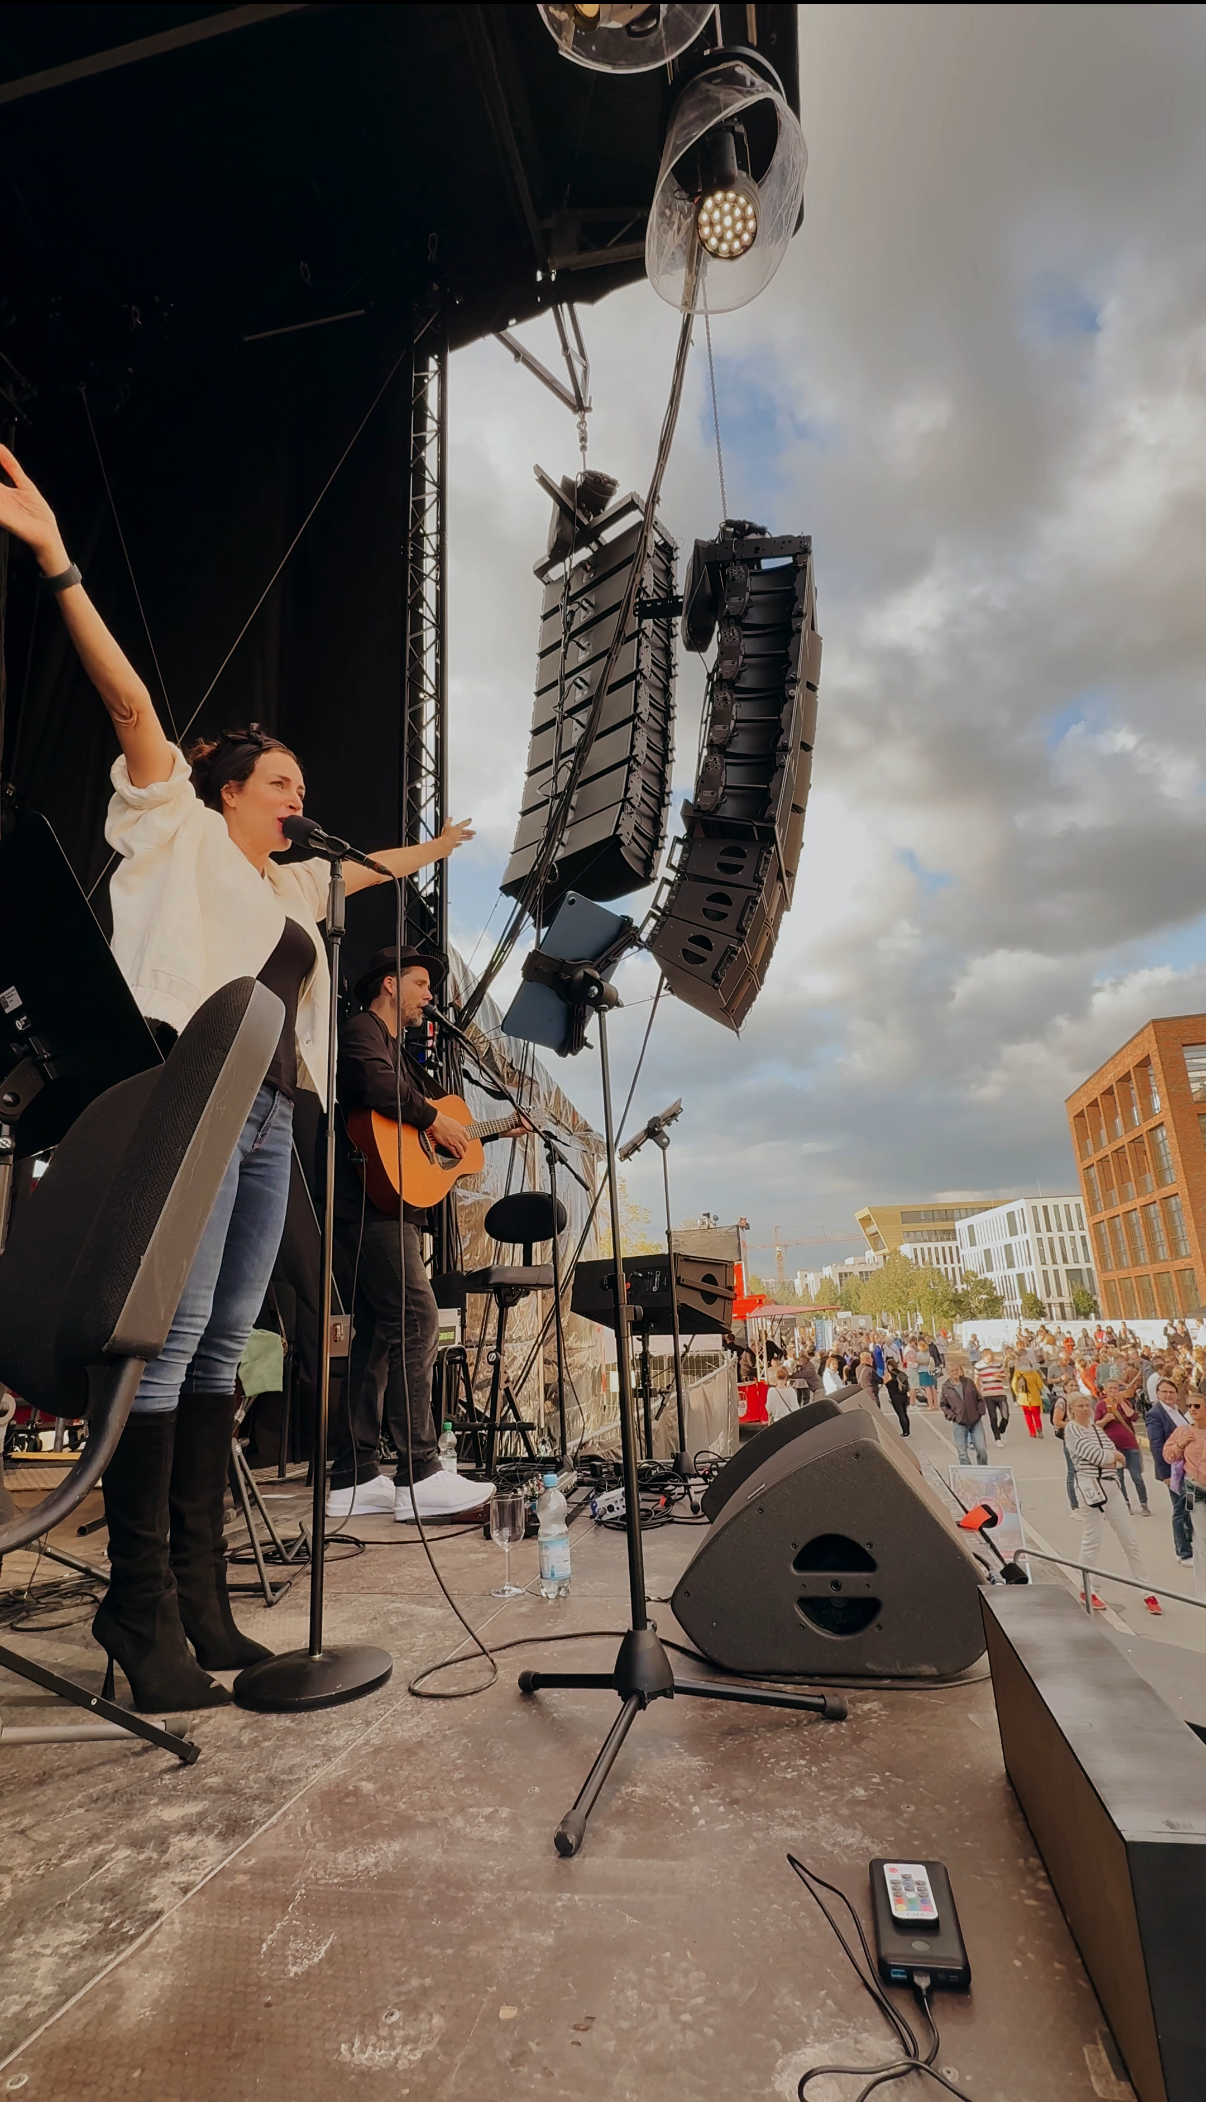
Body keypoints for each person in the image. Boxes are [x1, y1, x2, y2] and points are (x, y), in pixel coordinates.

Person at [0, 445, 474, 1711]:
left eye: (304, 792)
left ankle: (203, 1597)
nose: (299, 802)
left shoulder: (291, 885)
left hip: (273, 1117)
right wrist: (57, 561)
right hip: (187, 1098)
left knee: (220, 1342)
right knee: (161, 1343)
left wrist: (433, 846)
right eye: (283, 786)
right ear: (228, 788)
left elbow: (359, 869)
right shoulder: (175, 826)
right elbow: (130, 711)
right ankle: (138, 1600)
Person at [328, 947, 519, 1521]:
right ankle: (419, 1472)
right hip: (370, 1207)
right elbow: (372, 1086)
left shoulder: (403, 1053)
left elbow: (433, 1119)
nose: (430, 995)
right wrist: (436, 1120)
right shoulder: (362, 1028)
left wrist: (478, 1131)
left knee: (380, 1338)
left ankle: (355, 1477)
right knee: (418, 1319)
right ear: (389, 983)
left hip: (387, 1206)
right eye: (421, 983)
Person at [1063, 1393, 1161, 1615]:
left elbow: (1113, 1452)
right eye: (1080, 1406)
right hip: (1090, 1488)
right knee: (1093, 1540)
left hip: (1111, 1486)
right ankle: (1085, 1587)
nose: (1085, 1409)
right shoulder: (1072, 1430)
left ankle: (1146, 1591)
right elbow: (1096, 1456)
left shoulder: (1096, 1429)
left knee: (1130, 1541)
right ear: (1072, 1409)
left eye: (1087, 1405)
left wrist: (1113, 1456)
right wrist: (1112, 1456)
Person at [1145, 1376, 1192, 1564]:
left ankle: (1191, 1544)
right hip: (1173, 1471)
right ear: (1157, 1394)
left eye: (1171, 1392)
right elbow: (1157, 1445)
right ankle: (1183, 1552)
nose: (1168, 1395)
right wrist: (1164, 1474)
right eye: (1164, 1392)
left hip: (1187, 1468)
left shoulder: (1176, 1411)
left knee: (1190, 1506)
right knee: (1180, 1509)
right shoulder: (1155, 1414)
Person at [1164, 1398, 1206, 1596]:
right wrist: (1181, 1444)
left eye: (1197, 1406)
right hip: (1192, 1490)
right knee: (1200, 1535)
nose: (1192, 1409)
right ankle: (1202, 1589)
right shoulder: (1183, 1431)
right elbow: (1168, 1455)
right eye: (1189, 1406)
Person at [1094, 1381, 1150, 1517]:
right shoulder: (1101, 1405)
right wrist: (1105, 1420)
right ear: (1105, 1391)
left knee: (1137, 1476)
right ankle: (1126, 1504)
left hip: (1130, 1445)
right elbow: (1096, 1425)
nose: (1113, 1391)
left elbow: (1134, 1417)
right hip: (1113, 1447)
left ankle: (1144, 1504)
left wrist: (1122, 1403)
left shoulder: (1125, 1402)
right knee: (1119, 1477)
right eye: (1110, 1388)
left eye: (1115, 1388)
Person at [940, 1364, 989, 1467]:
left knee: (982, 1449)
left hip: (975, 1420)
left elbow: (979, 1398)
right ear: (948, 1373)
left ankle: (983, 1469)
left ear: (960, 1371)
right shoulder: (946, 1387)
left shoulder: (969, 1382)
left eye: (956, 1370)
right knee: (962, 1453)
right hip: (959, 1422)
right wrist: (952, 1416)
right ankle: (968, 1473)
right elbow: (943, 1405)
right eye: (952, 1371)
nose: (955, 1372)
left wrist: (980, 1412)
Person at [1051, 1383, 1079, 1513]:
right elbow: (1057, 1421)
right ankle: (1075, 1505)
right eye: (1071, 1385)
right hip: (1070, 1439)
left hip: (1083, 1440)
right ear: (1065, 1388)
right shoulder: (1062, 1402)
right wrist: (1074, 1425)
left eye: (1076, 1385)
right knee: (1072, 1472)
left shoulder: (1081, 1400)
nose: (1074, 1387)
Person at [975, 1349, 1009, 1441]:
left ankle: (1001, 1429)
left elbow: (1005, 1376)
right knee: (993, 1416)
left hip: (1000, 1393)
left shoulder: (998, 1364)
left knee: (1005, 1415)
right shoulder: (978, 1366)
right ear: (984, 1356)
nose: (993, 1357)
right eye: (990, 1356)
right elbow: (977, 1380)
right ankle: (997, 1438)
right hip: (988, 1394)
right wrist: (978, 1394)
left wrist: (1000, 1376)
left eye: (993, 1355)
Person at [1011, 1346, 1045, 1438]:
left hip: (1023, 1397)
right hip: (1034, 1397)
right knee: (1036, 1415)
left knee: (1028, 1416)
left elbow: (1014, 1384)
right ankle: (1039, 1428)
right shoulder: (1033, 1373)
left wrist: (1017, 1393)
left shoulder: (1018, 1373)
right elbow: (1040, 1384)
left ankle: (1032, 1432)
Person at [882, 1356, 911, 1438]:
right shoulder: (901, 1373)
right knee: (905, 1413)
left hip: (895, 1396)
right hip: (903, 1395)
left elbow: (882, 1382)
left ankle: (904, 1432)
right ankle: (907, 1431)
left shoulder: (889, 1375)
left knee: (900, 1414)